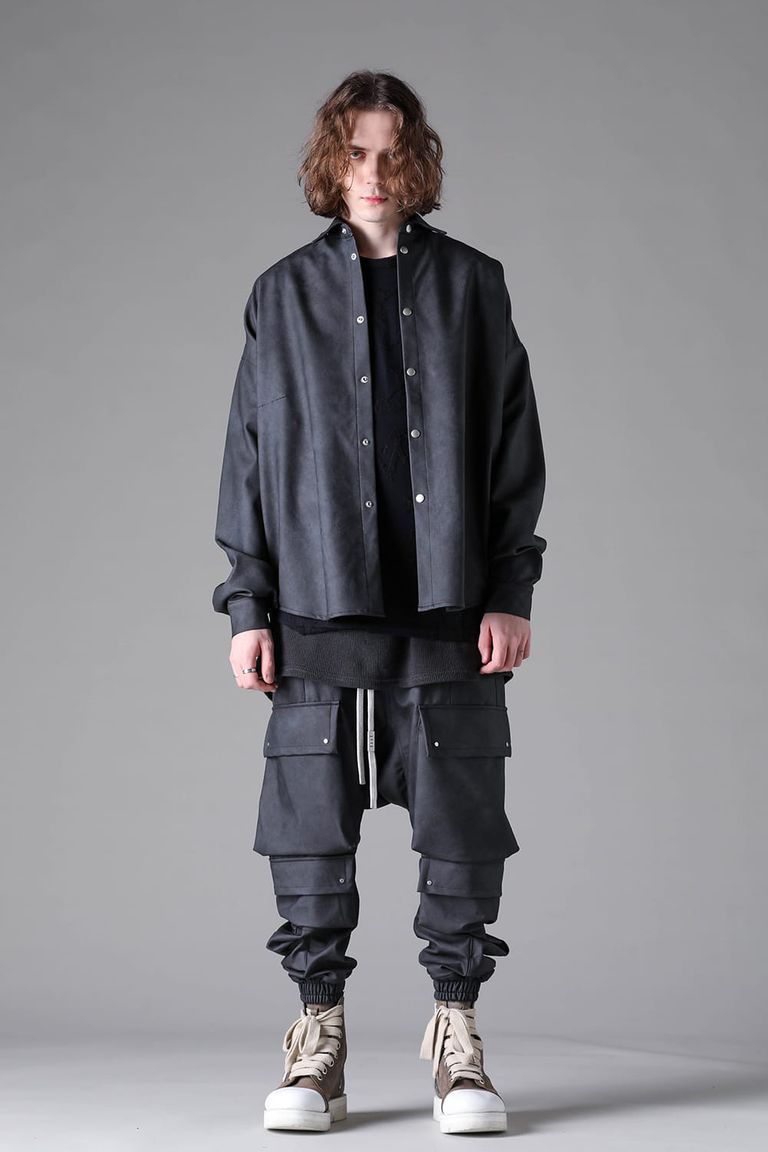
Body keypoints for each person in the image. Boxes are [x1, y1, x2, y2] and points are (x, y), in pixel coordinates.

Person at [212, 70, 547, 1135]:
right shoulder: (280, 294)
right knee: (309, 836)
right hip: (318, 612)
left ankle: (459, 1042)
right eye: (354, 152)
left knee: (463, 832)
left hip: (449, 611)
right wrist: (248, 606)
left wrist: (510, 589)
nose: (372, 173)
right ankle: (318, 1040)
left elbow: (513, 446)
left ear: (417, 162)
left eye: (391, 151)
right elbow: (249, 457)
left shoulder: (474, 286)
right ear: (331, 161)